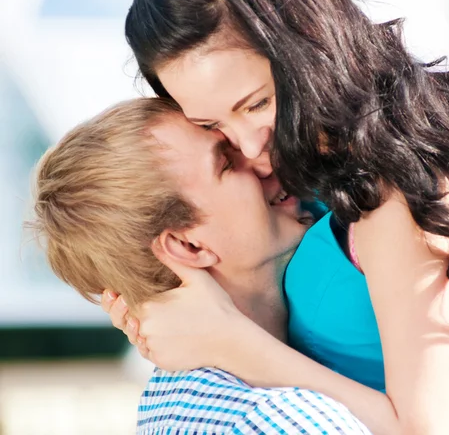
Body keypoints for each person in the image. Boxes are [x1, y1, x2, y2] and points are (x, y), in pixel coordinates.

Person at [102, 0, 449, 434]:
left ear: (305, 43)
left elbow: (425, 430)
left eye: (258, 103)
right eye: (213, 125)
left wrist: (230, 341)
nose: (251, 146)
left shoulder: (398, 185)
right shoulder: (301, 172)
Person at [31, 98, 371, 435]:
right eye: (226, 163)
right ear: (188, 246)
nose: (264, 161)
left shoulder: (182, 399)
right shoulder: (277, 419)